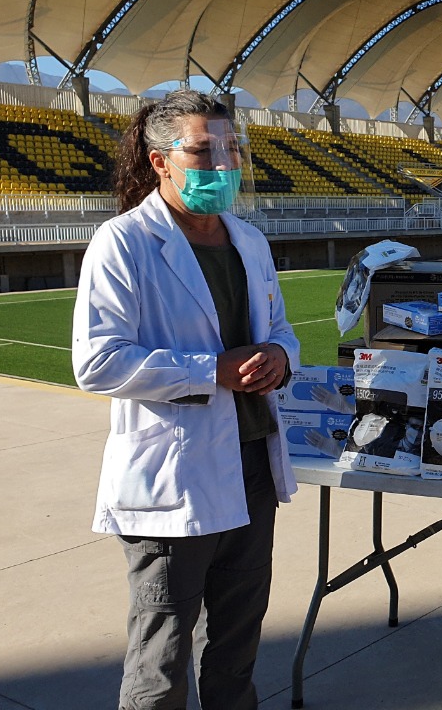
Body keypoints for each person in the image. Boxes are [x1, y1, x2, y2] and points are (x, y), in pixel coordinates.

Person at [72, 89, 300, 710]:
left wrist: (281, 358)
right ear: (159, 160)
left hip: (252, 462)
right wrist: (210, 370)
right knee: (162, 653)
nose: (222, 164)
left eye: (230, 149)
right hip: (176, 475)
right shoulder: (124, 244)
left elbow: (279, 329)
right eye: (203, 151)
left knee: (237, 641)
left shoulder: (249, 240)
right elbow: (96, 363)